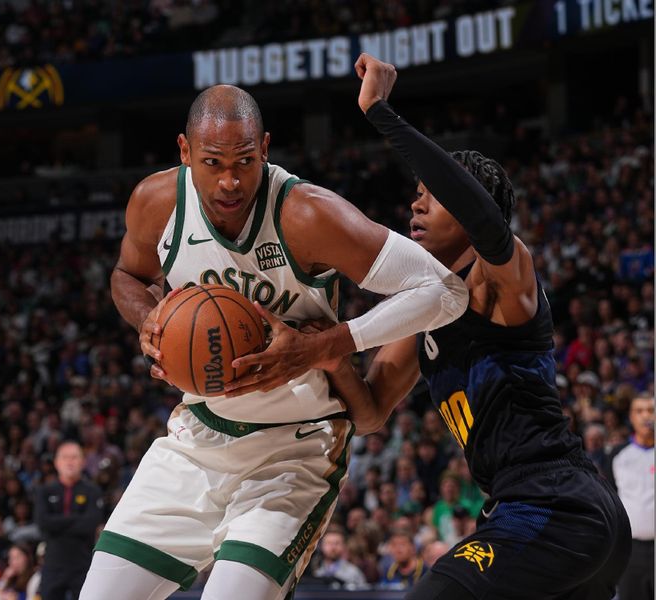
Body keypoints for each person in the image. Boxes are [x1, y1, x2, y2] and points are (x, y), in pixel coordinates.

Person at [80, 83, 468, 600]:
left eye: (245, 160)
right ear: (184, 151)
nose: (230, 180)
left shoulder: (307, 214)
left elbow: (444, 291)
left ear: (265, 148)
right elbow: (127, 275)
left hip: (294, 447)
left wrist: (325, 345)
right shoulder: (156, 203)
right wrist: (149, 320)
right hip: (197, 440)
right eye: (213, 162)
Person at [320, 53, 633, 599]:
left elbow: (488, 224)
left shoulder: (502, 280)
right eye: (416, 192)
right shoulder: (420, 313)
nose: (415, 201)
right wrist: (328, 356)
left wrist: (380, 112)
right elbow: (369, 412)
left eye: (431, 192)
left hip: (556, 504)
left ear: (469, 208)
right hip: (543, 514)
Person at [34, 441, 102, 600]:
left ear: (83, 462)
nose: (69, 462)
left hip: (83, 564)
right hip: (53, 564)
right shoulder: (44, 491)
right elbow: (42, 522)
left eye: (74, 457)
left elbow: (91, 523)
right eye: (65, 457)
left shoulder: (92, 491)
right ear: (56, 462)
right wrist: (75, 520)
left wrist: (57, 523)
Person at [605, 395, 654, 600]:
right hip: (631, 550)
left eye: (651, 410)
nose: (646, 416)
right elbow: (611, 500)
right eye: (640, 411)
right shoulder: (618, 455)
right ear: (631, 417)